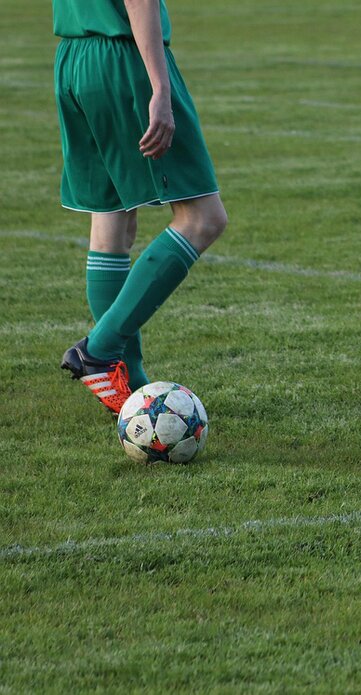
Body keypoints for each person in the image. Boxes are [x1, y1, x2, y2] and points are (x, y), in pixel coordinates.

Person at [53, 0, 228, 414]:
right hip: (125, 60)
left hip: (75, 59)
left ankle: (128, 387)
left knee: (111, 221)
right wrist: (160, 88)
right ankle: (98, 351)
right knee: (203, 218)